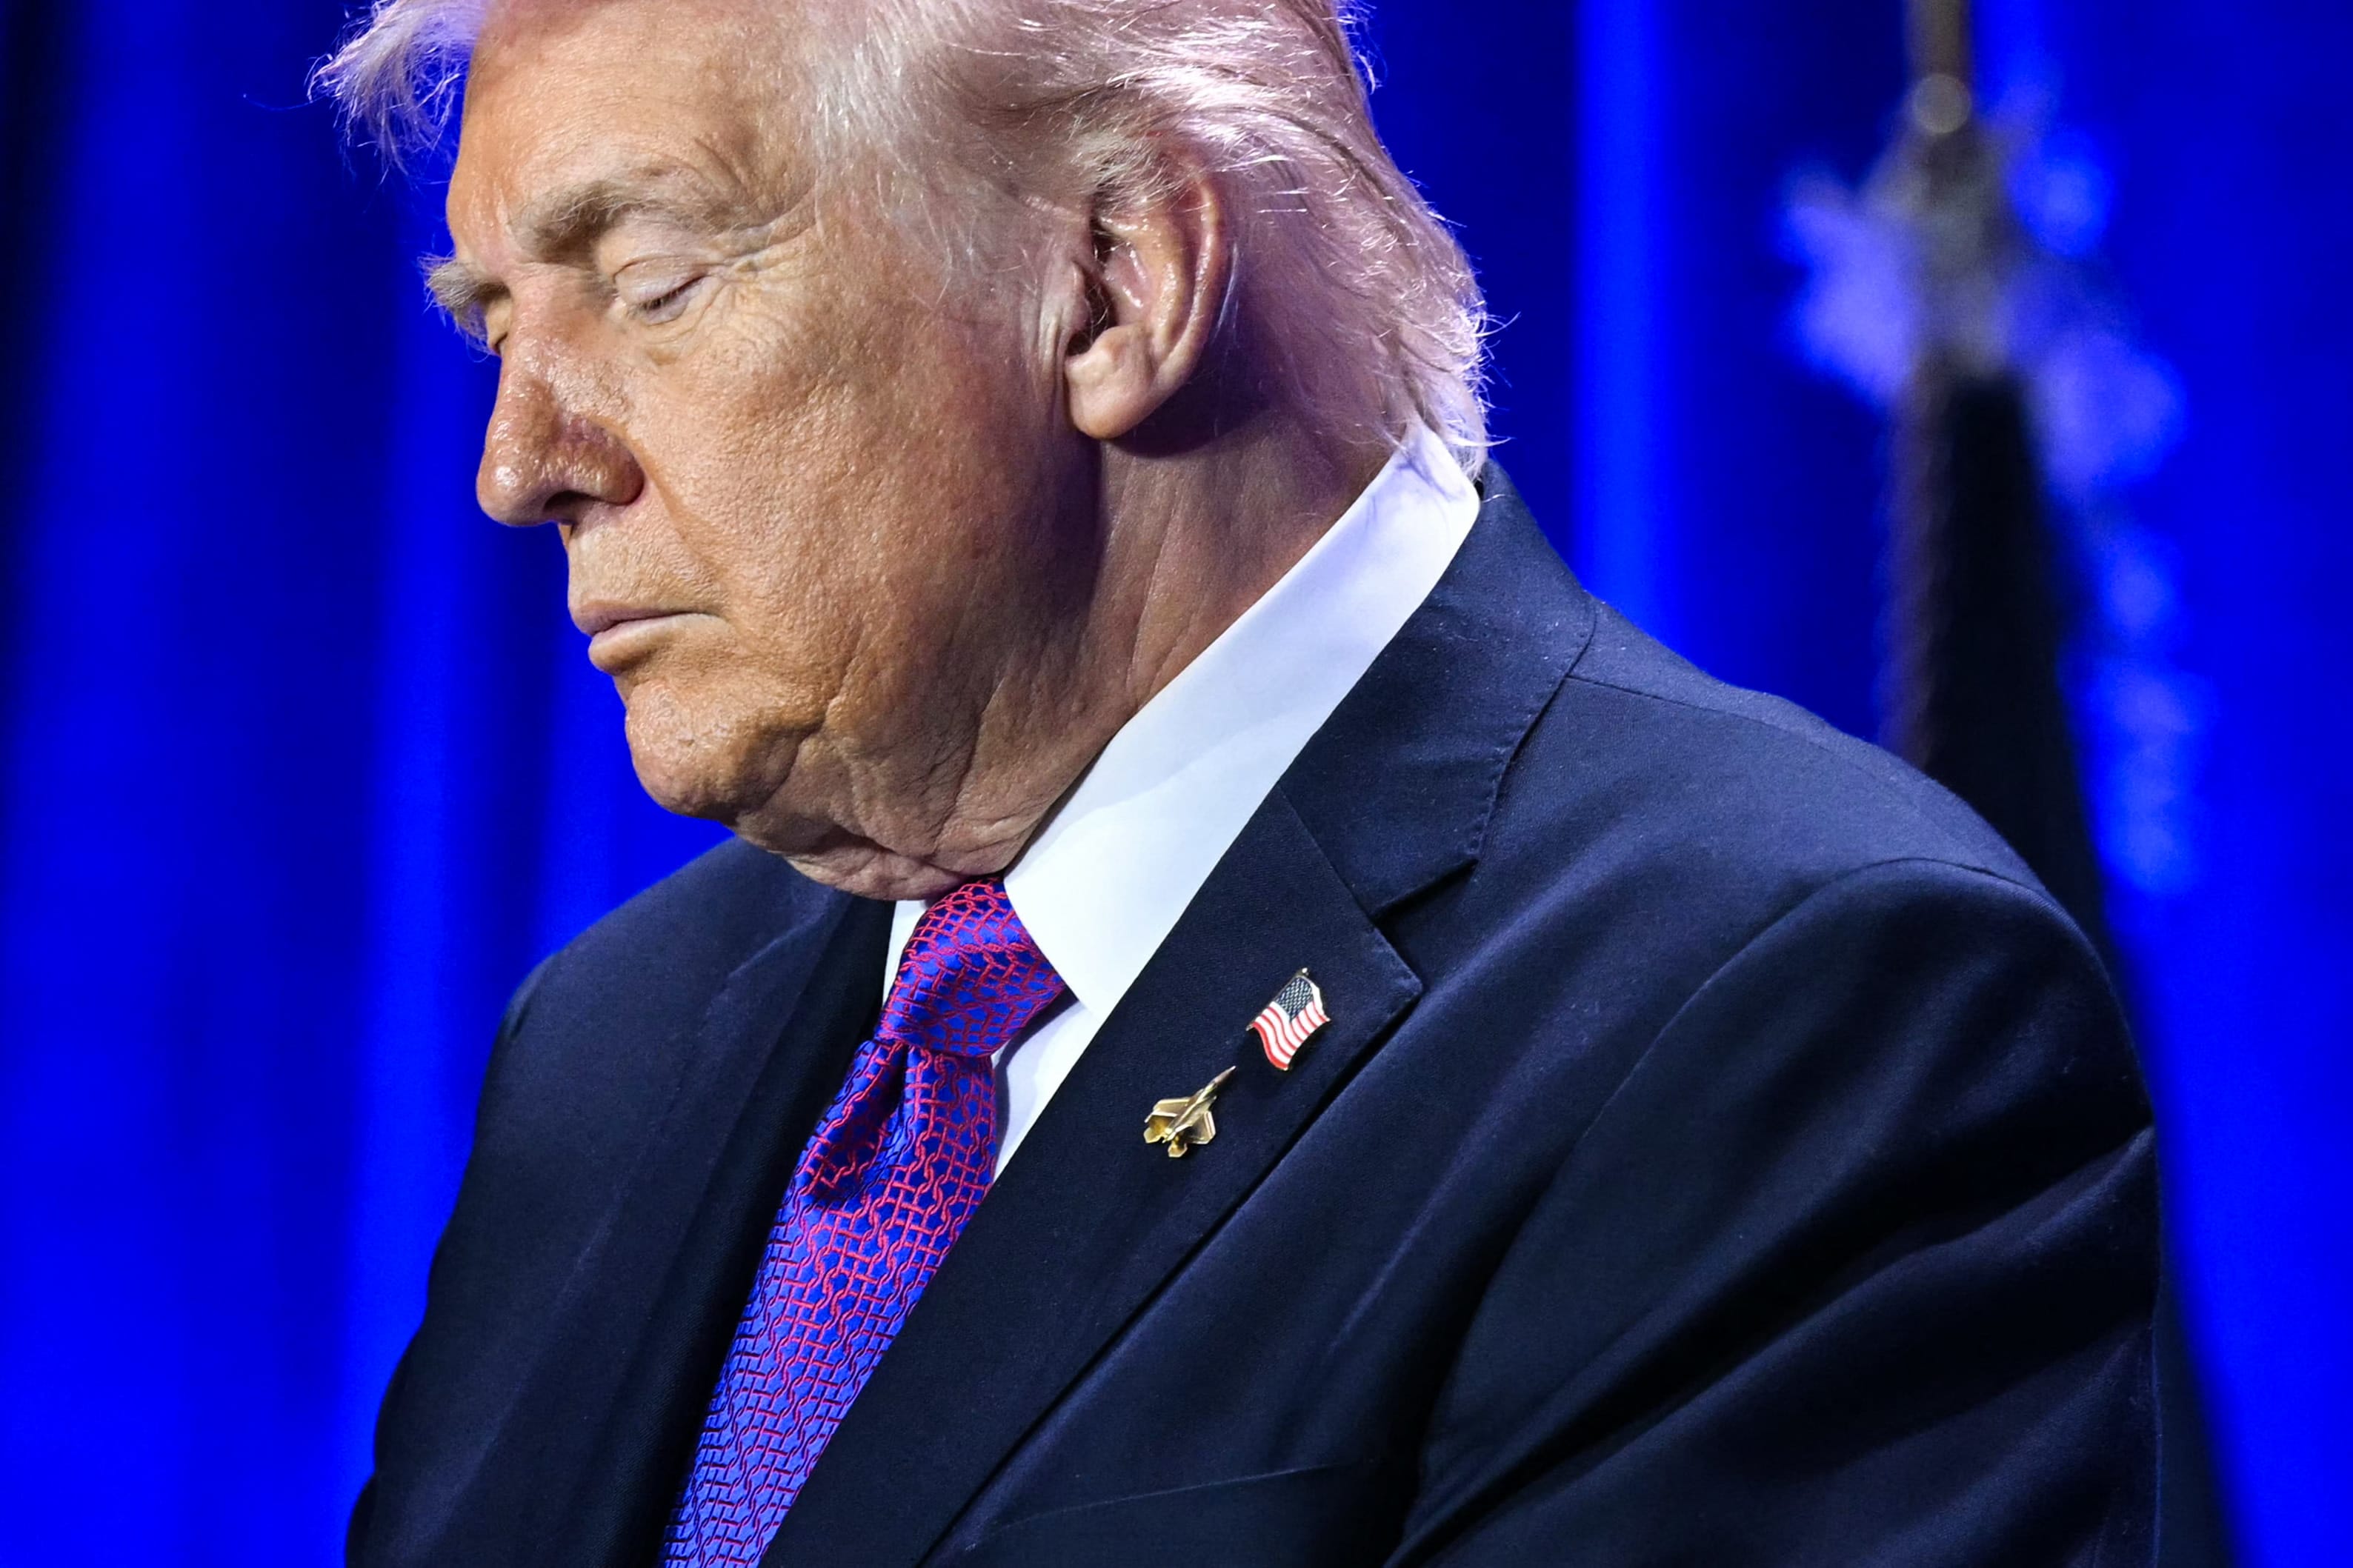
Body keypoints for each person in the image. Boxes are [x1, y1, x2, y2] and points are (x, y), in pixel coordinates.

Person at [323, 1, 2161, 1564]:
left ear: (1119, 284)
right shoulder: (618, 1038)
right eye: (498, 327)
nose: (519, 464)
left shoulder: (1793, 1008)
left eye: (649, 284)